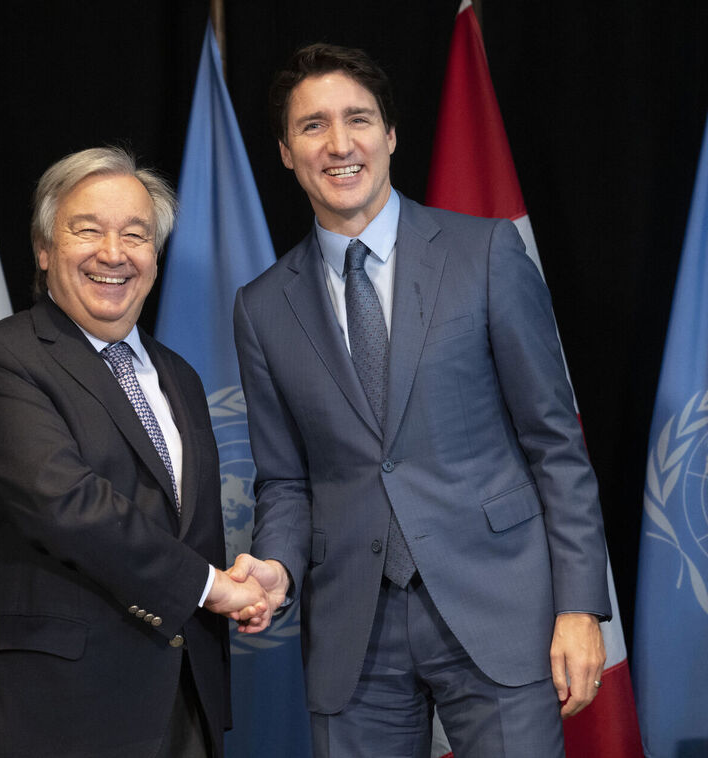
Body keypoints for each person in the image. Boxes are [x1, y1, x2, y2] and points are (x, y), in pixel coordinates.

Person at [228, 45, 610, 757]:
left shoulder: (486, 254)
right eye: (312, 126)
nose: (339, 144)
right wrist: (275, 567)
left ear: (391, 135)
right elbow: (284, 478)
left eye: (358, 120)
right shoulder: (261, 308)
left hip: (498, 610)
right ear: (285, 152)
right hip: (353, 632)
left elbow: (555, 444)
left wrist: (580, 606)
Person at [0, 146, 267, 758]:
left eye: (135, 235)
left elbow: (187, 527)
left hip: (181, 707)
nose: (113, 253)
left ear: (154, 260)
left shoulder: (178, 376)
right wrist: (213, 587)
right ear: (44, 250)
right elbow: (66, 504)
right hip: (48, 714)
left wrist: (246, 579)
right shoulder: (1, 358)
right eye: (88, 231)